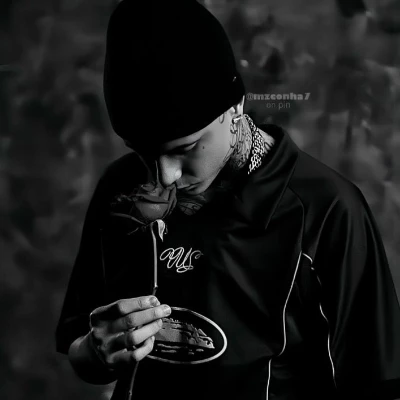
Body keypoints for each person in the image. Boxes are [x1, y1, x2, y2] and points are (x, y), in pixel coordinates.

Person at [55, 1, 400, 399]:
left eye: (185, 148)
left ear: (235, 107)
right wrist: (97, 353)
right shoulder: (120, 188)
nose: (165, 176)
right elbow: (82, 349)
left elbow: (379, 383)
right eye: (143, 152)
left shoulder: (326, 209)